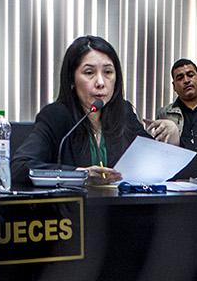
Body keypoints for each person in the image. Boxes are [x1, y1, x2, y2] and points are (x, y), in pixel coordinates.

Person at [12, 35, 153, 186]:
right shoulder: (56, 116)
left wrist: (172, 137)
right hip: (75, 207)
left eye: (108, 72)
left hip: (120, 207)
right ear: (72, 79)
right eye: (89, 73)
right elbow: (19, 167)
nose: (100, 82)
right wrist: (80, 175)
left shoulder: (123, 113)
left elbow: (155, 160)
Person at [147, 58, 197, 178]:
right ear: (174, 86)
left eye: (190, 75)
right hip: (178, 183)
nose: (186, 80)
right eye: (180, 78)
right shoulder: (164, 114)